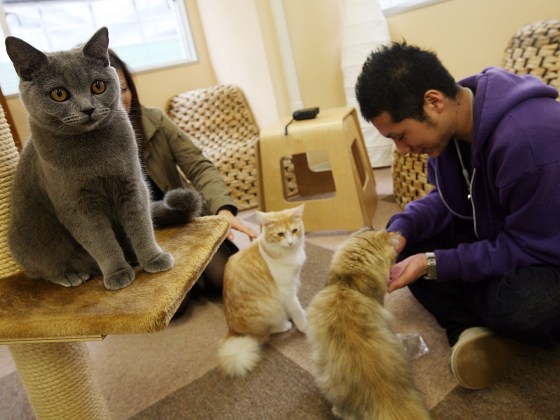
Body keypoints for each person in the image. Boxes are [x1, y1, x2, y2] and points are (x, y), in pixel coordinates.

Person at [355, 42, 560, 390]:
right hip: (507, 234)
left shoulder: (529, 140)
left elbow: (534, 246)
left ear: (433, 101)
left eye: (401, 136)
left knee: (523, 307)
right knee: (408, 247)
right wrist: (400, 230)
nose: (403, 151)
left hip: (547, 249)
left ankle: (482, 323)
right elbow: (449, 201)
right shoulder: (450, 128)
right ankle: (469, 332)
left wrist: (437, 264)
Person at [108, 50, 257, 314]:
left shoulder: (154, 119)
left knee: (232, 281)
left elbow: (199, 166)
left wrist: (223, 211)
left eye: (123, 89)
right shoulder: (84, 148)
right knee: (172, 309)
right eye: (107, 91)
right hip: (138, 239)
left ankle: (195, 276)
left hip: (184, 222)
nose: (119, 100)